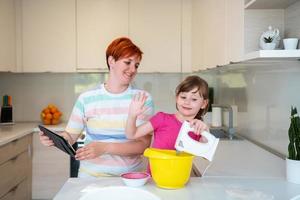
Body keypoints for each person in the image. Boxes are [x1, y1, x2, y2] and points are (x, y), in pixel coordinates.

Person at [39, 37, 154, 178]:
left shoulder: (142, 99)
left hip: (131, 178)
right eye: (128, 62)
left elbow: (143, 145)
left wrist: (105, 148)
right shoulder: (87, 98)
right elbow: (70, 136)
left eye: (136, 65)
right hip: (91, 177)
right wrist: (55, 139)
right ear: (111, 61)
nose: (133, 69)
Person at [125, 75, 209, 151]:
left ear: (203, 104)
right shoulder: (161, 119)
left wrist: (205, 132)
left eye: (194, 99)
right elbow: (132, 135)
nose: (187, 102)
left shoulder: (198, 130)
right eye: (183, 97)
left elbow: (206, 153)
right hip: (156, 169)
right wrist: (132, 115)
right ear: (176, 98)